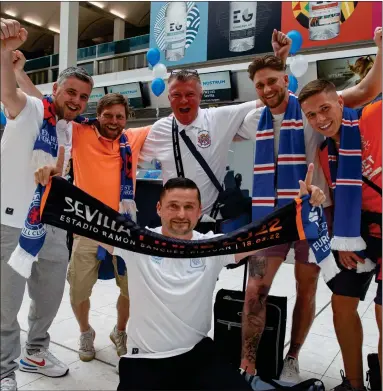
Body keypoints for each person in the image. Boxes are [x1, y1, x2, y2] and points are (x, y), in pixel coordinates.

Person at [238, 28, 382, 382]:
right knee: (255, 288)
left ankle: (294, 356)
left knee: (308, 288)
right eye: (260, 84)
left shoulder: (316, 109)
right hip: (271, 215)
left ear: (284, 79)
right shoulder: (251, 118)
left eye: (274, 81)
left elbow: (364, 90)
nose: (268, 88)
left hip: (316, 215)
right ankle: (247, 364)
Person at [112, 168, 323, 390]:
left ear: (199, 212)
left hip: (196, 354)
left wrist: (302, 209)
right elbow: (84, 222)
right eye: (173, 206)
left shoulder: (212, 246)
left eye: (189, 207)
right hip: (144, 360)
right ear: (159, 209)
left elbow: (261, 235)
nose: (181, 215)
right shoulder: (136, 243)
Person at [9, 45, 151, 362]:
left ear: (126, 119)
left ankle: (120, 330)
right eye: (107, 115)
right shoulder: (81, 132)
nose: (114, 121)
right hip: (86, 226)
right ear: (96, 115)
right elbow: (45, 104)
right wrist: (19, 73)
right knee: (77, 290)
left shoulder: (134, 139)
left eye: (120, 117)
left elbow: (174, 130)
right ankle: (86, 332)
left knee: (130, 289)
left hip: (123, 227)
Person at [1, 18, 93, 391]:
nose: (76, 100)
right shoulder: (29, 110)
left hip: (53, 224)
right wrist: (5, 54)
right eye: (70, 92)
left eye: (84, 96)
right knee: (6, 304)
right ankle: (4, 368)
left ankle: (35, 352)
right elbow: (9, 93)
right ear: (56, 89)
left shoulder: (70, 127)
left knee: (50, 296)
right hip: (10, 222)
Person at [139, 31, 291, 233]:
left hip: (209, 222)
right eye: (177, 95)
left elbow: (270, 97)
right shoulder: (159, 130)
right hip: (173, 220)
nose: (184, 100)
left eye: (190, 94)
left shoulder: (219, 118)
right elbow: (125, 154)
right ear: (169, 98)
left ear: (201, 95)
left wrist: (279, 59)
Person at [298, 67, 382, 390]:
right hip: (361, 235)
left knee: (381, 313)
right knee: (341, 303)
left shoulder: (372, 117)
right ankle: (355, 385)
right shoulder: (323, 153)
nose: (320, 119)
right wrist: (339, 238)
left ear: (340, 104)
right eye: (311, 114)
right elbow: (331, 204)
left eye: (325, 108)